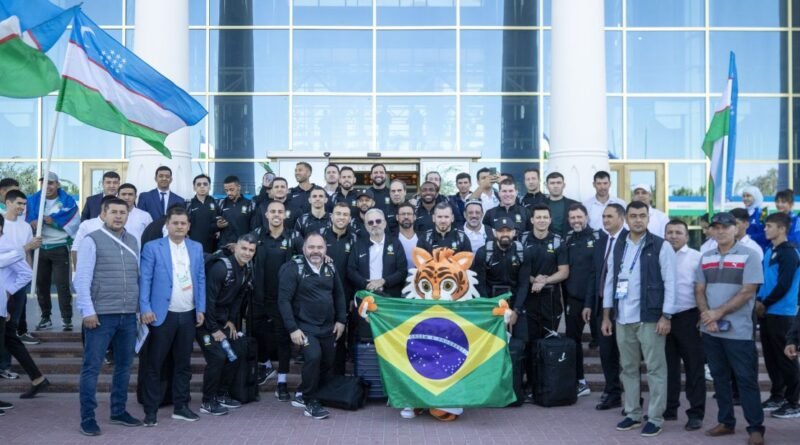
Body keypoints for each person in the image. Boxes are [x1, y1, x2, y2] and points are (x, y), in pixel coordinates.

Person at [601, 200, 676, 437]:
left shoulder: (661, 245)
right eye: (633, 216)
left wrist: (666, 315)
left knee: (655, 369)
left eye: (642, 215)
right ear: (625, 219)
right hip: (623, 317)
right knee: (629, 369)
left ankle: (655, 417)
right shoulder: (619, 244)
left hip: (650, 318)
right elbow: (611, 280)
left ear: (648, 218)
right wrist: (606, 315)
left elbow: (670, 283)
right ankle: (632, 413)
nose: (638, 220)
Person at [74, 198, 142, 436]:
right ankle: (88, 417)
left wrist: (139, 309)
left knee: (124, 366)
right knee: (91, 367)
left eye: (122, 212)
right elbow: (81, 279)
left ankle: (118, 411)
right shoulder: (91, 240)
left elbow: (137, 277)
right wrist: (87, 311)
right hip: (100, 315)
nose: (118, 216)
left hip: (127, 315)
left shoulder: (133, 240)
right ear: (103, 214)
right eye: (113, 212)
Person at [696, 212, 765, 445]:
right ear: (712, 231)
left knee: (746, 379)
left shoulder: (750, 255)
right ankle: (726, 422)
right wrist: (708, 316)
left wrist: (718, 313)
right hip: (711, 329)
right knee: (719, 377)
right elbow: (699, 289)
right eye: (716, 227)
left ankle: (755, 428)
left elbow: (748, 291)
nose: (721, 231)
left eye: (726, 227)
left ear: (735, 229)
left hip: (739, 330)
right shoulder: (705, 256)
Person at [139, 205, 206, 426]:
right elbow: (145, 280)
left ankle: (181, 406)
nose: (179, 226)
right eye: (175, 223)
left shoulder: (196, 247)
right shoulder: (153, 247)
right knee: (154, 365)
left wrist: (201, 308)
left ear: (188, 226)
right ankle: (150, 411)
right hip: (160, 315)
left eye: (183, 223)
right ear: (167, 225)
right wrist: (145, 308)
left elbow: (200, 279)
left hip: (187, 314)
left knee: (183, 365)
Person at [278, 233, 347, 420]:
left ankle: (303, 392)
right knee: (314, 357)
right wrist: (293, 328)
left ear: (325, 249)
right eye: (311, 247)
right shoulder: (293, 269)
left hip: (328, 327)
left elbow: (339, 295)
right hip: (305, 326)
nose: (316, 251)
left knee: (328, 362)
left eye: (320, 247)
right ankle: (310, 401)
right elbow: (283, 301)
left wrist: (341, 320)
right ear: (304, 249)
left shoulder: (330, 267)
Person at [197, 234, 256, 417]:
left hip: (222, 320)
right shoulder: (221, 268)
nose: (247, 253)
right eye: (244, 248)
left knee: (234, 353)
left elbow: (238, 298)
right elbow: (209, 300)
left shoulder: (246, 269)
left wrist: (230, 320)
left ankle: (221, 394)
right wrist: (214, 329)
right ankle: (207, 401)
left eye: (251, 250)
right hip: (204, 322)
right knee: (217, 357)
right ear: (235, 248)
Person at [251, 200, 301, 397]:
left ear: (285, 215)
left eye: (280, 211)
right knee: (258, 335)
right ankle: (265, 365)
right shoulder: (256, 235)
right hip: (259, 298)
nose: (276, 215)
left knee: (283, 340)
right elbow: (242, 252)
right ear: (267, 214)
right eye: (273, 211)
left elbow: (310, 253)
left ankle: (282, 382)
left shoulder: (294, 237)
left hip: (284, 300)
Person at [0, 214, 49, 406]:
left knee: (9, 338)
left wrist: (6, 292)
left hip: (4, 304)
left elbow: (26, 273)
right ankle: (37, 378)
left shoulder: (7, 247)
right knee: (10, 340)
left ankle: (38, 378)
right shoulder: (10, 248)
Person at [523, 203, 569, 402]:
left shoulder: (559, 241)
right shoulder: (523, 239)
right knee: (529, 343)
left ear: (550, 220)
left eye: (545, 217)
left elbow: (564, 271)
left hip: (551, 299)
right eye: (538, 217)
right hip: (528, 299)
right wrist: (534, 280)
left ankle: (546, 386)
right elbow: (520, 270)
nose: (541, 220)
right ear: (532, 220)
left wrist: (544, 281)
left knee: (547, 343)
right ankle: (530, 385)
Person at [755, 212, 800, 418]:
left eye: (769, 226)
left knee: (786, 359)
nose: (765, 229)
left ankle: (794, 401)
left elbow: (785, 284)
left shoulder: (789, 253)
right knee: (772, 359)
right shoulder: (769, 251)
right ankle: (777, 395)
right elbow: (764, 280)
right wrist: (758, 300)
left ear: (782, 229)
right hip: (767, 312)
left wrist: (765, 303)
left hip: (783, 313)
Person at [663, 219, 706, 430]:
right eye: (669, 232)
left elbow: (704, 288)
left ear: (687, 236)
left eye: (678, 232)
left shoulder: (697, 258)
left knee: (694, 367)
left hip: (689, 318)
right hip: (664, 319)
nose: (673, 236)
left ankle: (696, 413)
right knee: (668, 368)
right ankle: (669, 409)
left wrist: (703, 313)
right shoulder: (659, 255)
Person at [583, 203, 626, 411]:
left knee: (627, 354)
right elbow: (594, 275)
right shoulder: (601, 242)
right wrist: (589, 304)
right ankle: (612, 392)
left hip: (626, 307)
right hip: (602, 307)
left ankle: (633, 396)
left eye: (610, 216)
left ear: (621, 218)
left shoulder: (630, 240)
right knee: (607, 352)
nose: (605, 220)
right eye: (604, 216)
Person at [27, 171, 79, 332]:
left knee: (63, 284)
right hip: (39, 247)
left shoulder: (68, 201)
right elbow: (25, 217)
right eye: (44, 183)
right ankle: (45, 317)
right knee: (41, 285)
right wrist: (32, 222)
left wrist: (54, 221)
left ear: (57, 184)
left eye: (50, 183)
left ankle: (67, 318)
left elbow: (74, 220)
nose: (47, 186)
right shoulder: (32, 200)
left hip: (59, 247)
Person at [563, 203, 598, 398]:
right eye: (572, 218)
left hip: (596, 300)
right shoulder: (567, 240)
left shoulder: (598, 237)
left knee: (603, 341)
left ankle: (613, 385)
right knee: (573, 341)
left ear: (586, 217)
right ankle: (580, 381)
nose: (576, 221)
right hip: (574, 299)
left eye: (579, 217)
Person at [0, 190, 41, 349]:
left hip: (20, 279)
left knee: (13, 320)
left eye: (24, 204)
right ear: (8, 203)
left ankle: (7, 361)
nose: (22, 207)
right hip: (4, 279)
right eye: (19, 203)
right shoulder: (2, 223)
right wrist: (27, 246)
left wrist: (30, 275)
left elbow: (27, 253)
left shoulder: (25, 226)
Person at [347, 209, 408, 298]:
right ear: (366, 226)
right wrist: (367, 284)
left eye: (378, 221)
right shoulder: (358, 245)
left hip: (390, 298)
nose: (375, 224)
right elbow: (351, 271)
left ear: (384, 223)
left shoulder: (395, 243)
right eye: (370, 222)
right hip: (365, 296)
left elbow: (402, 271)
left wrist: (383, 281)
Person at [217, 175, 254, 254]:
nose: (229, 193)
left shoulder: (249, 204)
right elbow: (213, 225)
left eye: (231, 189)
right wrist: (218, 226)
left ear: (239, 187)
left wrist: (240, 244)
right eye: (226, 190)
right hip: (225, 248)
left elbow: (253, 229)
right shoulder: (221, 204)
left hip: (243, 249)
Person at [186, 174, 219, 253]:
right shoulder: (188, 205)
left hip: (212, 246)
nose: (202, 186)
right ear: (194, 187)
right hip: (194, 246)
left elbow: (219, 223)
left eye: (205, 184)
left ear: (209, 187)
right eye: (199, 184)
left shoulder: (217, 203)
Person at [544, 172, 578, 237]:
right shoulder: (540, 206)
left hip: (569, 242)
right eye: (552, 183)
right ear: (546, 186)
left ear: (564, 185)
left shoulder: (575, 204)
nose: (555, 186)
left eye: (558, 183)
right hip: (547, 243)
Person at [396, 202, 418, 267]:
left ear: (414, 217)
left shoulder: (423, 238)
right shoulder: (391, 239)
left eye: (409, 214)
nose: (406, 217)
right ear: (397, 217)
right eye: (403, 214)